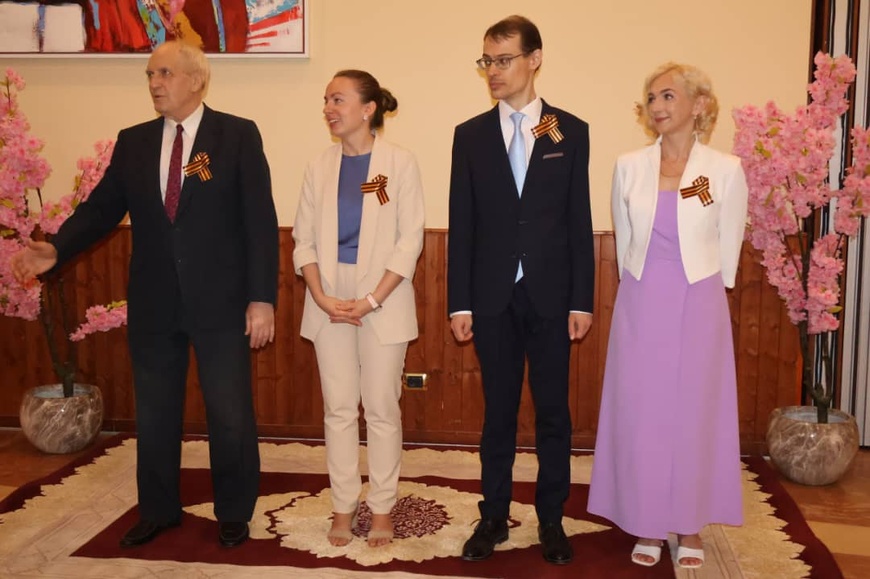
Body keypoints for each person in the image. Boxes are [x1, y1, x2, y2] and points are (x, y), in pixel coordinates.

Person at [11, 40, 278, 549]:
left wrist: (261, 297)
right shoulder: (133, 141)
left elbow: (260, 222)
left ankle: (233, 511)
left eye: (165, 74)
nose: (155, 83)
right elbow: (100, 209)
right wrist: (57, 249)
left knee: (230, 413)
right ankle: (158, 509)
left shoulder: (235, 136)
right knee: (155, 413)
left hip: (221, 302)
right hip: (154, 301)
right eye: (150, 75)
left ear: (196, 80)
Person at [587, 62, 748, 569]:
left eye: (669, 96)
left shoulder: (724, 170)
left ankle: (690, 524)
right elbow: (625, 235)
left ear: (698, 105)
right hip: (642, 298)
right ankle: (648, 523)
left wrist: (710, 291)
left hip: (699, 300)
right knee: (644, 413)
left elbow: (729, 245)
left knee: (694, 415)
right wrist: (634, 290)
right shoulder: (629, 165)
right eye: (652, 98)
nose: (658, 106)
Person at [447, 15, 595, 565]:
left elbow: (578, 221)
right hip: (491, 298)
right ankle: (493, 518)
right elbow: (461, 223)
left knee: (553, 412)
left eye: (504, 59)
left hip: (553, 297)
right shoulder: (470, 135)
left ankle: (552, 520)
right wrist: (458, 301)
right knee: (498, 414)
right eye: (487, 60)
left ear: (534, 59)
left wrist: (582, 298)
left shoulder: (568, 130)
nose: (494, 71)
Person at [292, 69, 424, 548]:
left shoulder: (398, 164)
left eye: (339, 99)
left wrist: (372, 299)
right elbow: (302, 241)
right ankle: (344, 506)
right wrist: (322, 295)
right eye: (326, 99)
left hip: (383, 296)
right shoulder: (319, 166)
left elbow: (409, 241)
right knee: (340, 409)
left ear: (368, 109)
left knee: (383, 407)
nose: (329, 108)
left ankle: (383, 507)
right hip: (327, 297)